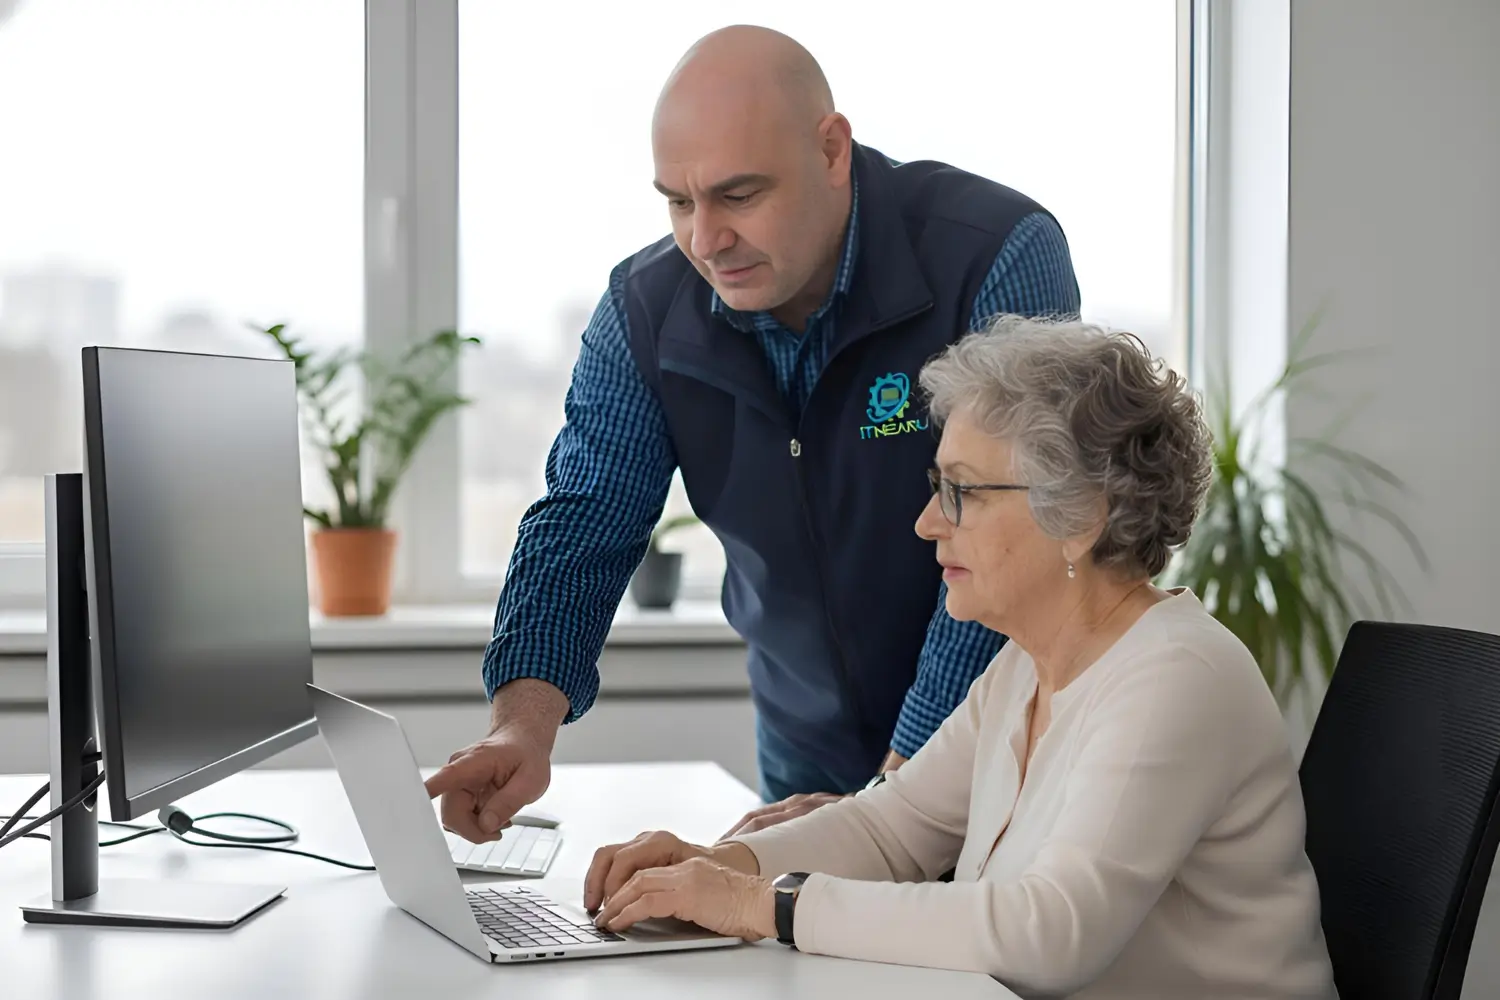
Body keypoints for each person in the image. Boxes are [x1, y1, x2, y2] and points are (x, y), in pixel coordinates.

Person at [426, 23, 1080, 842]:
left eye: (739, 195)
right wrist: (520, 726)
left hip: (999, 762)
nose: (706, 240)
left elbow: (1011, 534)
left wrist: (895, 801)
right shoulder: (644, 310)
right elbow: (584, 519)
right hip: (803, 762)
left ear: (832, 150)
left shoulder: (991, 258)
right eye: (677, 201)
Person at [580, 319, 1337, 999]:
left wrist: (762, 905)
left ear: (1079, 515)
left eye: (961, 493)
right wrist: (722, 866)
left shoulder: (1177, 678)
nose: (926, 523)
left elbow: (1049, 935)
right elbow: (893, 829)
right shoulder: (1025, 666)